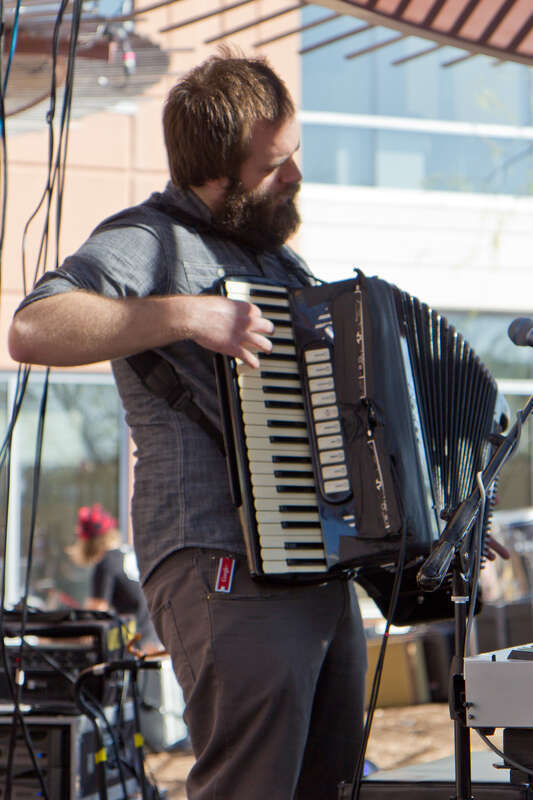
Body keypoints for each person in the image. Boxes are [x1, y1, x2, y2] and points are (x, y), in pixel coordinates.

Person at [10, 48, 509, 798]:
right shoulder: (149, 241)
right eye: (275, 165)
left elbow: (364, 430)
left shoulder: (286, 269)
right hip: (222, 561)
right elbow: (34, 328)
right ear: (213, 171)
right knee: (251, 783)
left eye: (294, 156)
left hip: (316, 570)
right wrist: (189, 312)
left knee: (327, 782)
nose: (295, 177)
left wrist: (440, 519)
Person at [67, 502, 161, 651]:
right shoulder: (127, 553)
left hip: (133, 645)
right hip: (153, 640)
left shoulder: (106, 561)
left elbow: (95, 614)